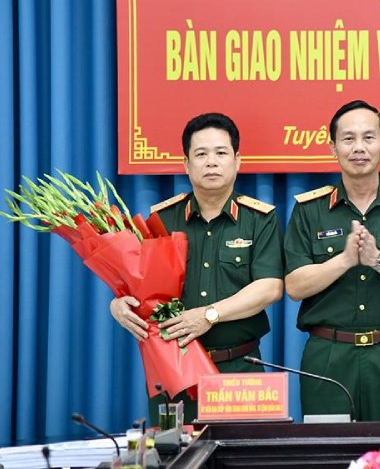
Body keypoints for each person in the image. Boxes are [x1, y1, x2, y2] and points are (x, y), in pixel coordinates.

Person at [109, 112, 284, 422]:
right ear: (187, 164)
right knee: (175, 458)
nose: (211, 162)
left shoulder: (260, 219)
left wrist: (208, 315)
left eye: (221, 153)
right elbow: (137, 287)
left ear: (237, 160)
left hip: (239, 368)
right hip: (174, 367)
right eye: (200, 154)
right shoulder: (161, 220)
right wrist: (118, 304)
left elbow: (269, 287)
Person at [283, 100, 380, 421]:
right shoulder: (309, 210)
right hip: (327, 355)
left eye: (369, 138)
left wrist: (378, 259)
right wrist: (344, 260)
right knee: (325, 453)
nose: (359, 148)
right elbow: (295, 286)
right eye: (348, 138)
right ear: (333, 147)